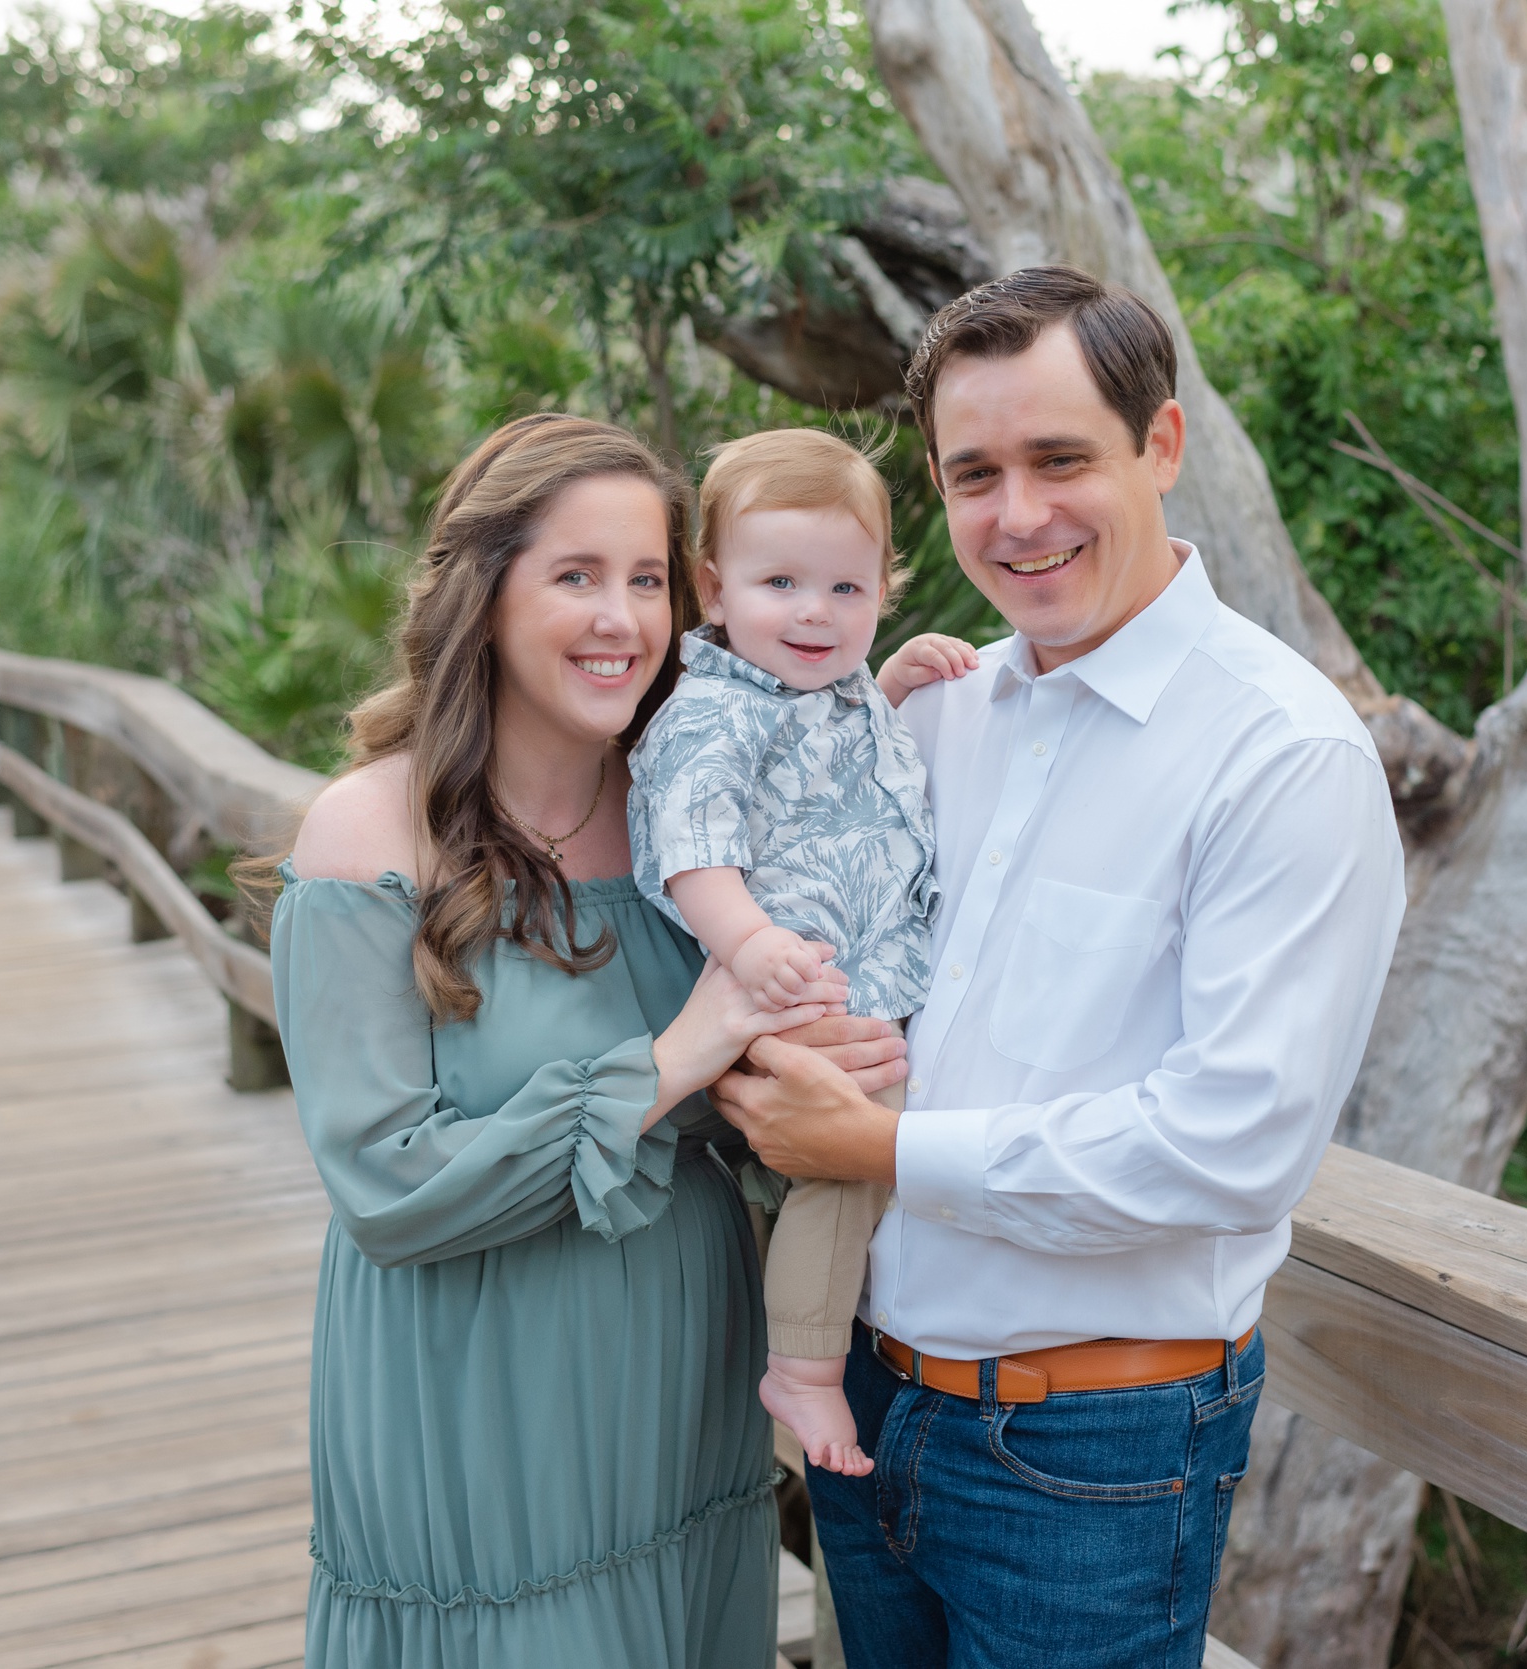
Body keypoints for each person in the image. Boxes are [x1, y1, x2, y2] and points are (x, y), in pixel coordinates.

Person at [710, 267, 1407, 1668]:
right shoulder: (940, 715)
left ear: (1160, 446)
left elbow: (1236, 1144)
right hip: (868, 1392)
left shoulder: (1282, 754)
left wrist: (883, 1145)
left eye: (1060, 459)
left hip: (1092, 1448)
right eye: (975, 475)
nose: (1018, 516)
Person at [267, 414, 901, 1667]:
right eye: (576, 576)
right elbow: (385, 1186)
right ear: (484, 592)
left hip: (680, 1394)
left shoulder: (687, 822)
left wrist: (822, 1073)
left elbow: (756, 1101)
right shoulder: (367, 835)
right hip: (481, 1406)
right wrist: (678, 1055)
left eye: (649, 579)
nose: (622, 617)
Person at [626, 427, 979, 1478]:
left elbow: (855, 778)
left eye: (845, 586)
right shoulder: (714, 715)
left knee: (866, 1149)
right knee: (845, 1163)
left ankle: (820, 1346)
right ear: (713, 589)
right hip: (785, 987)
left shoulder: (835, 686)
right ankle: (806, 1369)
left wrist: (899, 688)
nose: (815, 612)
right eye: (779, 581)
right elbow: (696, 850)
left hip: (850, 980)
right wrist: (751, 941)